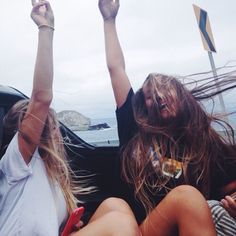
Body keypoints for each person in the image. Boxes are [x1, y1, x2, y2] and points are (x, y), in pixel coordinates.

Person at [0, 1, 140, 236]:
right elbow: (41, 98)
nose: (58, 133)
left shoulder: (54, 178)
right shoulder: (16, 165)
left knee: (115, 206)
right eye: (50, 126)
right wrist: (46, 28)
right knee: (120, 225)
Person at [98, 0, 236, 235]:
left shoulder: (204, 143)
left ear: (181, 95)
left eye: (165, 90)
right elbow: (116, 69)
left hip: (190, 226)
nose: (159, 97)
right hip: (144, 229)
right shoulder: (134, 130)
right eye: (150, 96)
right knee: (187, 198)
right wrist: (109, 20)